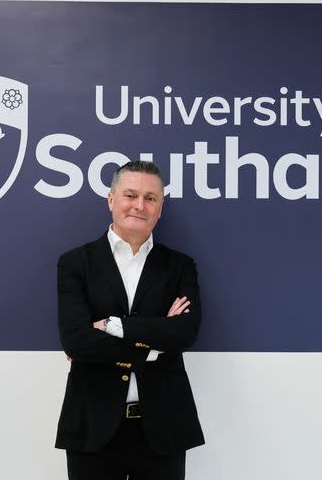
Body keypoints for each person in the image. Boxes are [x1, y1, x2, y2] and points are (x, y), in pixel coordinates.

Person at [55, 160, 204, 480]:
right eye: (130, 195)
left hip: (163, 427)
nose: (139, 205)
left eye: (150, 198)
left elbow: (185, 332)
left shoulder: (179, 266)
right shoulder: (75, 263)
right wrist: (152, 346)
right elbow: (76, 341)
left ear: (160, 209)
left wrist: (112, 326)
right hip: (92, 424)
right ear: (111, 200)